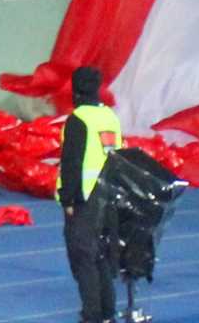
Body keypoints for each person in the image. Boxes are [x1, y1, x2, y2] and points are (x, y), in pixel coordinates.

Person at [58, 64, 122, 323]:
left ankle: (92, 314)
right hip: (109, 194)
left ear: (74, 90)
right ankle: (107, 312)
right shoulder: (110, 117)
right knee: (102, 255)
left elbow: (72, 161)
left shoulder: (78, 119)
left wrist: (68, 198)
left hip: (85, 196)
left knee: (83, 257)